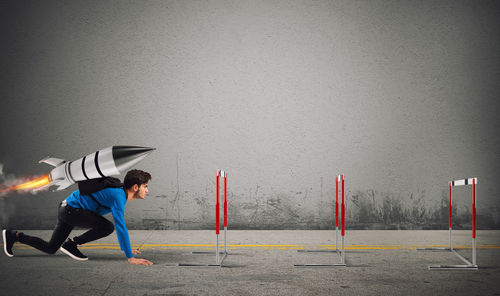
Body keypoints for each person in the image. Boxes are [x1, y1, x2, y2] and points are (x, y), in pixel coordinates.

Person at [2, 169, 153, 266]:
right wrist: (130, 257)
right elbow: (120, 226)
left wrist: (127, 249)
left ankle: (13, 236)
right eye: (145, 186)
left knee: (50, 248)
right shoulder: (118, 196)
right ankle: (72, 244)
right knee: (107, 227)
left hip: (67, 209)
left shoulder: (119, 192)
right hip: (71, 211)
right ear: (135, 187)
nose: (147, 190)